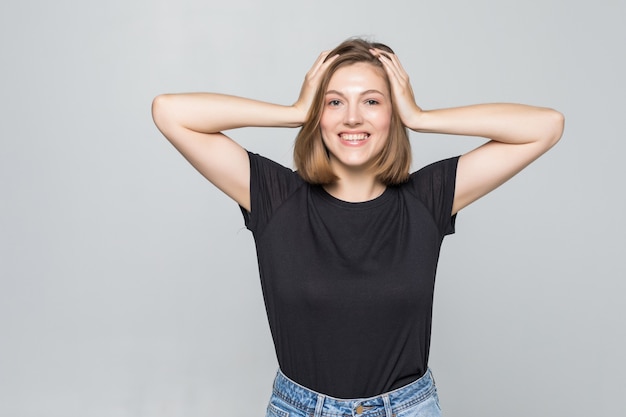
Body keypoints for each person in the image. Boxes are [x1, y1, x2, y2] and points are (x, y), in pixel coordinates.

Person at [151, 38, 564, 417]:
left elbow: (546, 126)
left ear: (392, 112)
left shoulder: (428, 198)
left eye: (371, 101)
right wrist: (294, 111)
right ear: (319, 115)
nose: (352, 118)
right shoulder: (274, 197)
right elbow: (169, 112)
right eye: (333, 103)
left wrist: (421, 117)